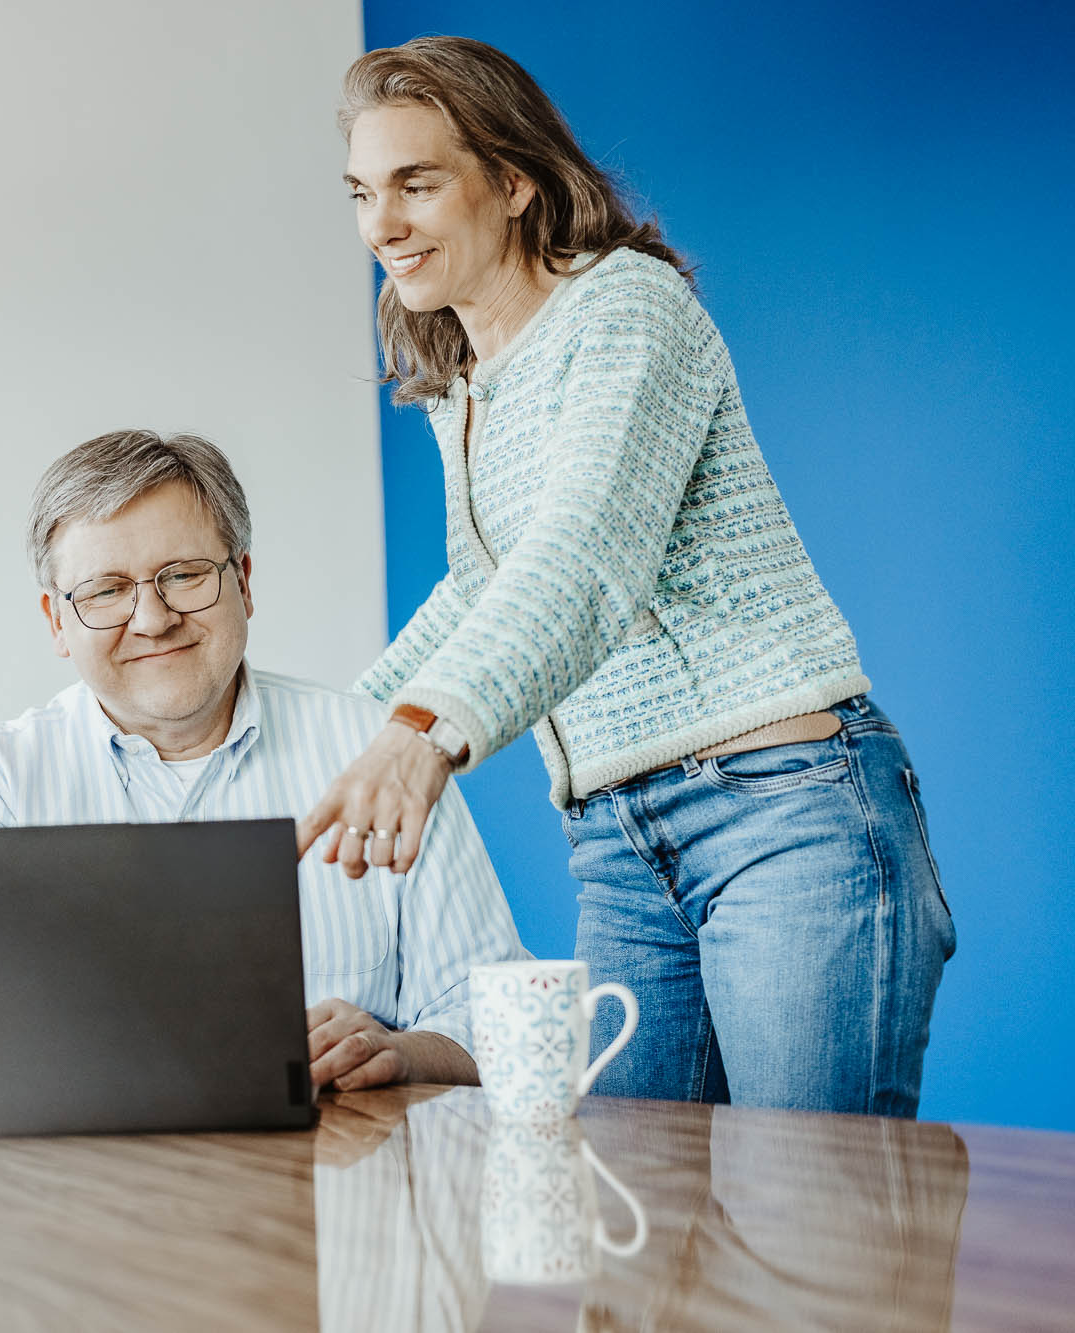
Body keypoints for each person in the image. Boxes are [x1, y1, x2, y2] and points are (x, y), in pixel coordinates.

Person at [299, 36, 952, 1115]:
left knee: (810, 1205)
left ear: (513, 180)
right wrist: (334, 748)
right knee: (626, 1206)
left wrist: (419, 735)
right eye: (363, 193)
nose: (382, 226)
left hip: (778, 810)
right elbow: (483, 587)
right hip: (616, 842)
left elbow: (587, 553)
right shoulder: (465, 385)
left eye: (416, 183)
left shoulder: (624, 307)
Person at [0, 429, 527, 1091]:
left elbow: (503, 1023)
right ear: (56, 622)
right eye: (105, 590)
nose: (153, 619)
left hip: (349, 1154)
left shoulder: (379, 754)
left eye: (184, 575)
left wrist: (400, 1053)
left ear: (242, 581)